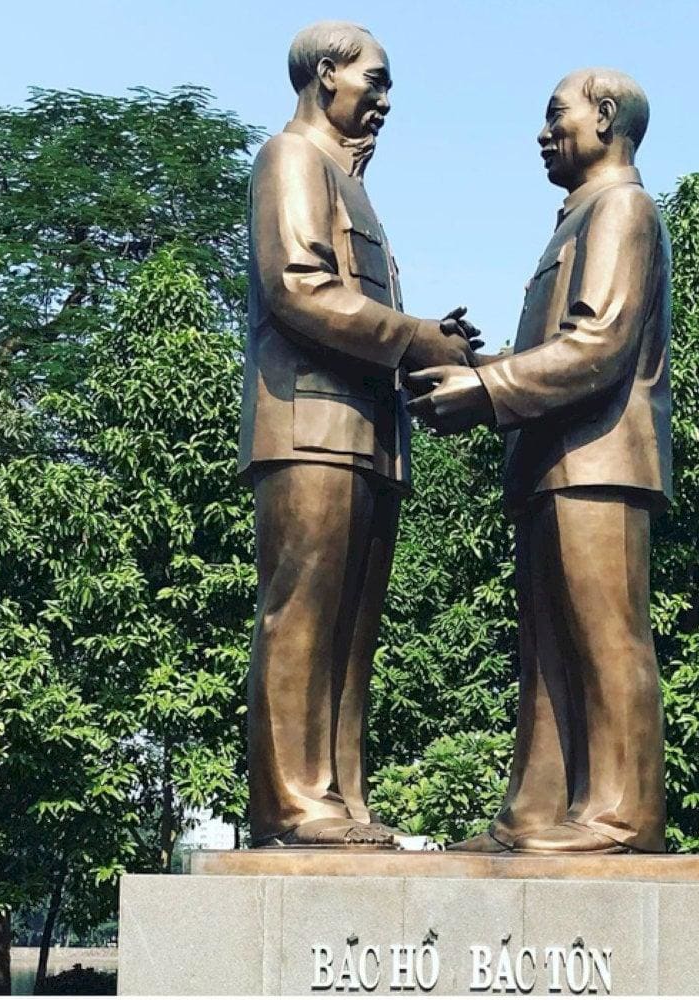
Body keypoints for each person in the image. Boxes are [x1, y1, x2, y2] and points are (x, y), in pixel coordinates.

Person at [409, 68, 671, 853]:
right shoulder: (578, 216)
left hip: (599, 463)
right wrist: (470, 366)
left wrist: (484, 389)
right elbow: (557, 348)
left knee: (605, 637)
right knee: (548, 654)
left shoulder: (622, 207)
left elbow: (597, 347)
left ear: (605, 115)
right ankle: (535, 813)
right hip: (552, 464)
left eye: (554, 114)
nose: (542, 132)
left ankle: (622, 816)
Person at [240, 20, 478, 847]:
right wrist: (417, 337)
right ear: (324, 73)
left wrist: (431, 354)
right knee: (302, 615)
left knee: (350, 631)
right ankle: (292, 803)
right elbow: (299, 289)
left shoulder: (348, 178)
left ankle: (340, 798)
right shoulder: (292, 159)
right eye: (373, 81)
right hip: (308, 424)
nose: (383, 101)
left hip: (367, 434)